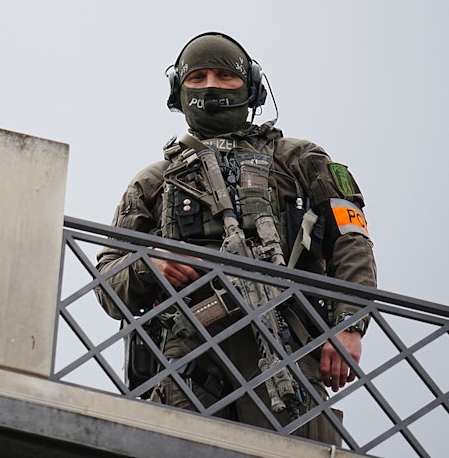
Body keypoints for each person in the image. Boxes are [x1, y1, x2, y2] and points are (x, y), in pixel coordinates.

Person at [94, 31, 376, 443]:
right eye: (198, 77)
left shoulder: (299, 160)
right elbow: (106, 283)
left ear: (251, 86)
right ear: (179, 90)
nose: (211, 87)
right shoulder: (153, 182)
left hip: (285, 345)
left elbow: (351, 241)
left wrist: (349, 324)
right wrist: (148, 264)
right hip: (186, 359)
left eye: (225, 75)